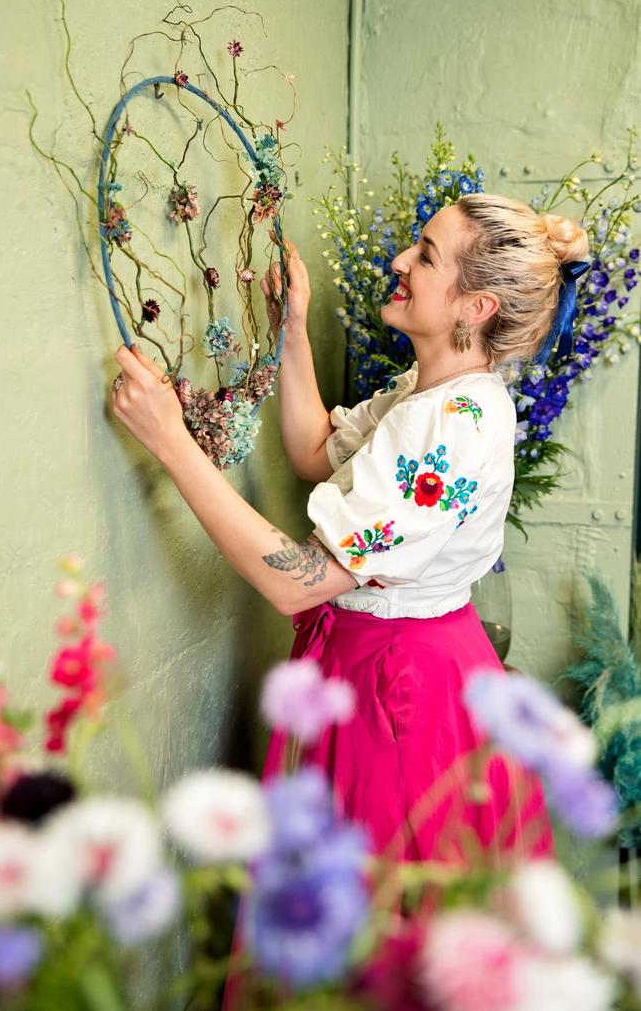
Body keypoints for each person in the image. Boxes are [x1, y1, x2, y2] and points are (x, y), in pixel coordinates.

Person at [110, 192, 589, 996]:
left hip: (397, 698)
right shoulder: (429, 396)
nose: (401, 262)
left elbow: (299, 584)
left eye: (426, 255)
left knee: (371, 939)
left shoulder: (454, 427)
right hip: (393, 668)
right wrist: (293, 329)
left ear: (476, 307)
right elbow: (310, 451)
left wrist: (170, 440)